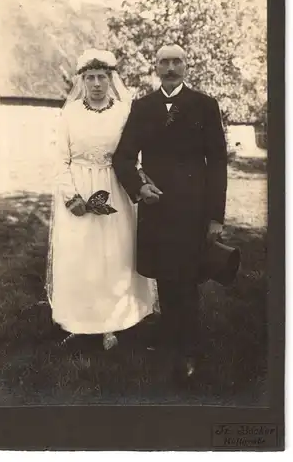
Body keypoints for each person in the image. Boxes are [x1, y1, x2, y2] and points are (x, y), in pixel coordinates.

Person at [112, 44, 228, 384]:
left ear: (187, 66)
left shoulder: (205, 106)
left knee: (187, 280)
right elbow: (123, 157)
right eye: (164, 62)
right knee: (165, 277)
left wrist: (215, 216)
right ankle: (170, 345)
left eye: (178, 61)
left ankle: (189, 350)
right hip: (156, 207)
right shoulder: (142, 107)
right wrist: (139, 189)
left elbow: (218, 163)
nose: (171, 67)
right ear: (156, 66)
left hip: (192, 208)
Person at [45, 49, 155, 350]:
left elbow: (136, 154)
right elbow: (60, 160)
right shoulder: (70, 114)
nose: (96, 84)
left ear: (111, 79)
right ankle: (80, 321)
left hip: (115, 187)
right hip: (79, 188)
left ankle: (116, 321)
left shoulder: (123, 112)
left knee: (116, 255)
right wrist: (71, 197)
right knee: (80, 255)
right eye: (90, 77)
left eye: (102, 78)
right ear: (82, 80)